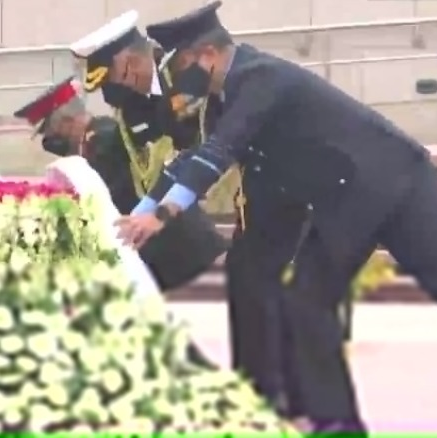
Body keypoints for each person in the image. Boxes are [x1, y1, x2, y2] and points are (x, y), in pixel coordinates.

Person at [116, 1, 437, 435]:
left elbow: (220, 151)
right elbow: (194, 159)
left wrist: (162, 214)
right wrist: (133, 216)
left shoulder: (262, 79)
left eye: (178, 68)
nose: (175, 81)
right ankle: (337, 422)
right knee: (308, 300)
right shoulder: (226, 99)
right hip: (347, 198)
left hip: (397, 180)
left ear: (207, 54)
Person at [68, 9, 298, 413]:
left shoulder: (186, 73)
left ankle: (269, 394)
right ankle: (256, 391)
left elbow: (198, 150)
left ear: (131, 60)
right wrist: (143, 210)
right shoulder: (131, 106)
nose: (116, 91)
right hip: (239, 185)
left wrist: (157, 211)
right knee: (246, 281)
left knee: (257, 282)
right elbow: (161, 162)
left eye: (117, 75)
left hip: (273, 173)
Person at [12, 77, 226, 367]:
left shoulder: (104, 140)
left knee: (196, 334)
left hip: (178, 247)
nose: (51, 141)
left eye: (50, 131)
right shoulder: (96, 140)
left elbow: (113, 200)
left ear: (65, 122)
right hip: (163, 248)